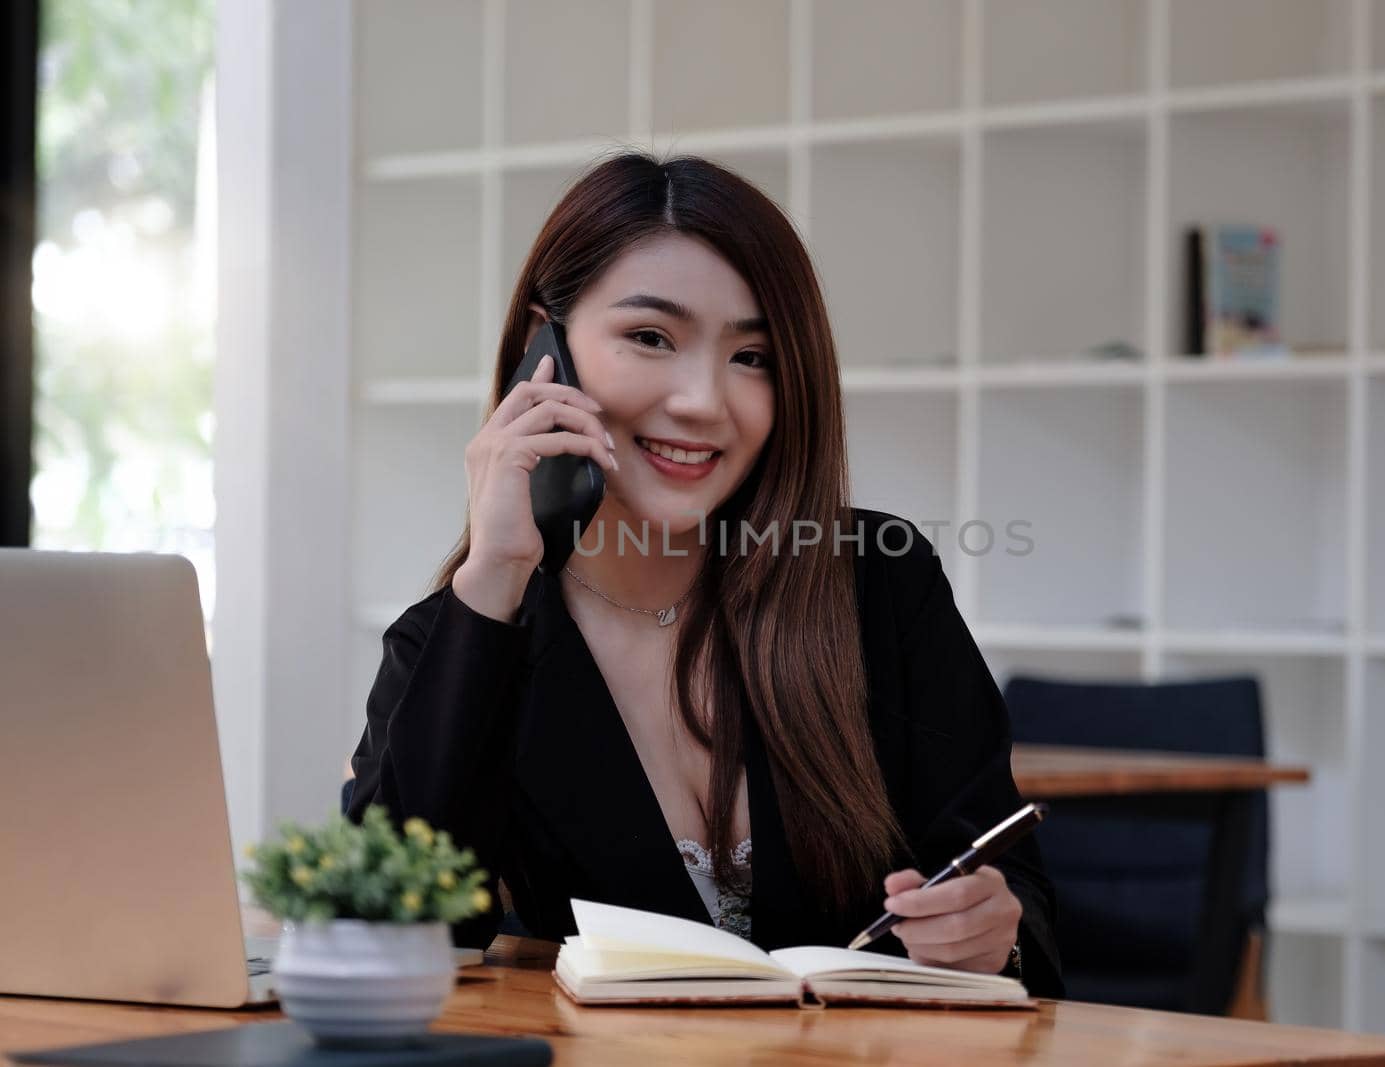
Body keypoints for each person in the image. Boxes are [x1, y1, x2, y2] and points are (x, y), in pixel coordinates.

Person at [347, 151, 1064, 997]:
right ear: (546, 348)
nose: (702, 400)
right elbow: (390, 939)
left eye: (751, 356)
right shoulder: (467, 634)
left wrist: (991, 932)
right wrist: (498, 569)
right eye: (650, 337)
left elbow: (1021, 900)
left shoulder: (878, 585)